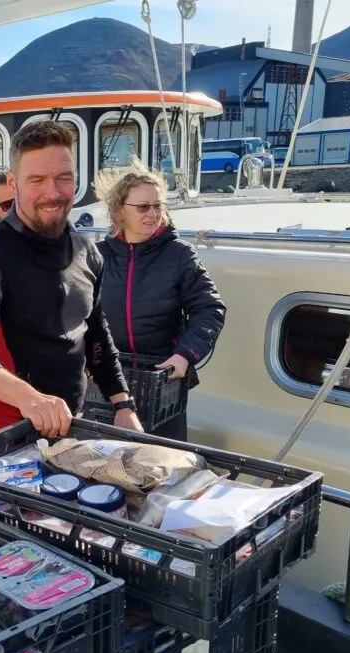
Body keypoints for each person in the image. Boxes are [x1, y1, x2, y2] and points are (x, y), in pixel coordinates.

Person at [0, 121, 143, 438]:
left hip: (73, 425)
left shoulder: (87, 251)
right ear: (13, 183)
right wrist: (30, 399)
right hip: (11, 433)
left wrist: (123, 405)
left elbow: (95, 334)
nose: (53, 192)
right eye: (37, 180)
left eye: (64, 178)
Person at [94, 158, 225, 441]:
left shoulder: (180, 255)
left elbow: (209, 309)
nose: (153, 213)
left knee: (162, 460)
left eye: (158, 205)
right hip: (108, 382)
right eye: (143, 207)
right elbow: (77, 315)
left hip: (164, 384)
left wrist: (185, 355)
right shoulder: (97, 256)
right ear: (119, 210)